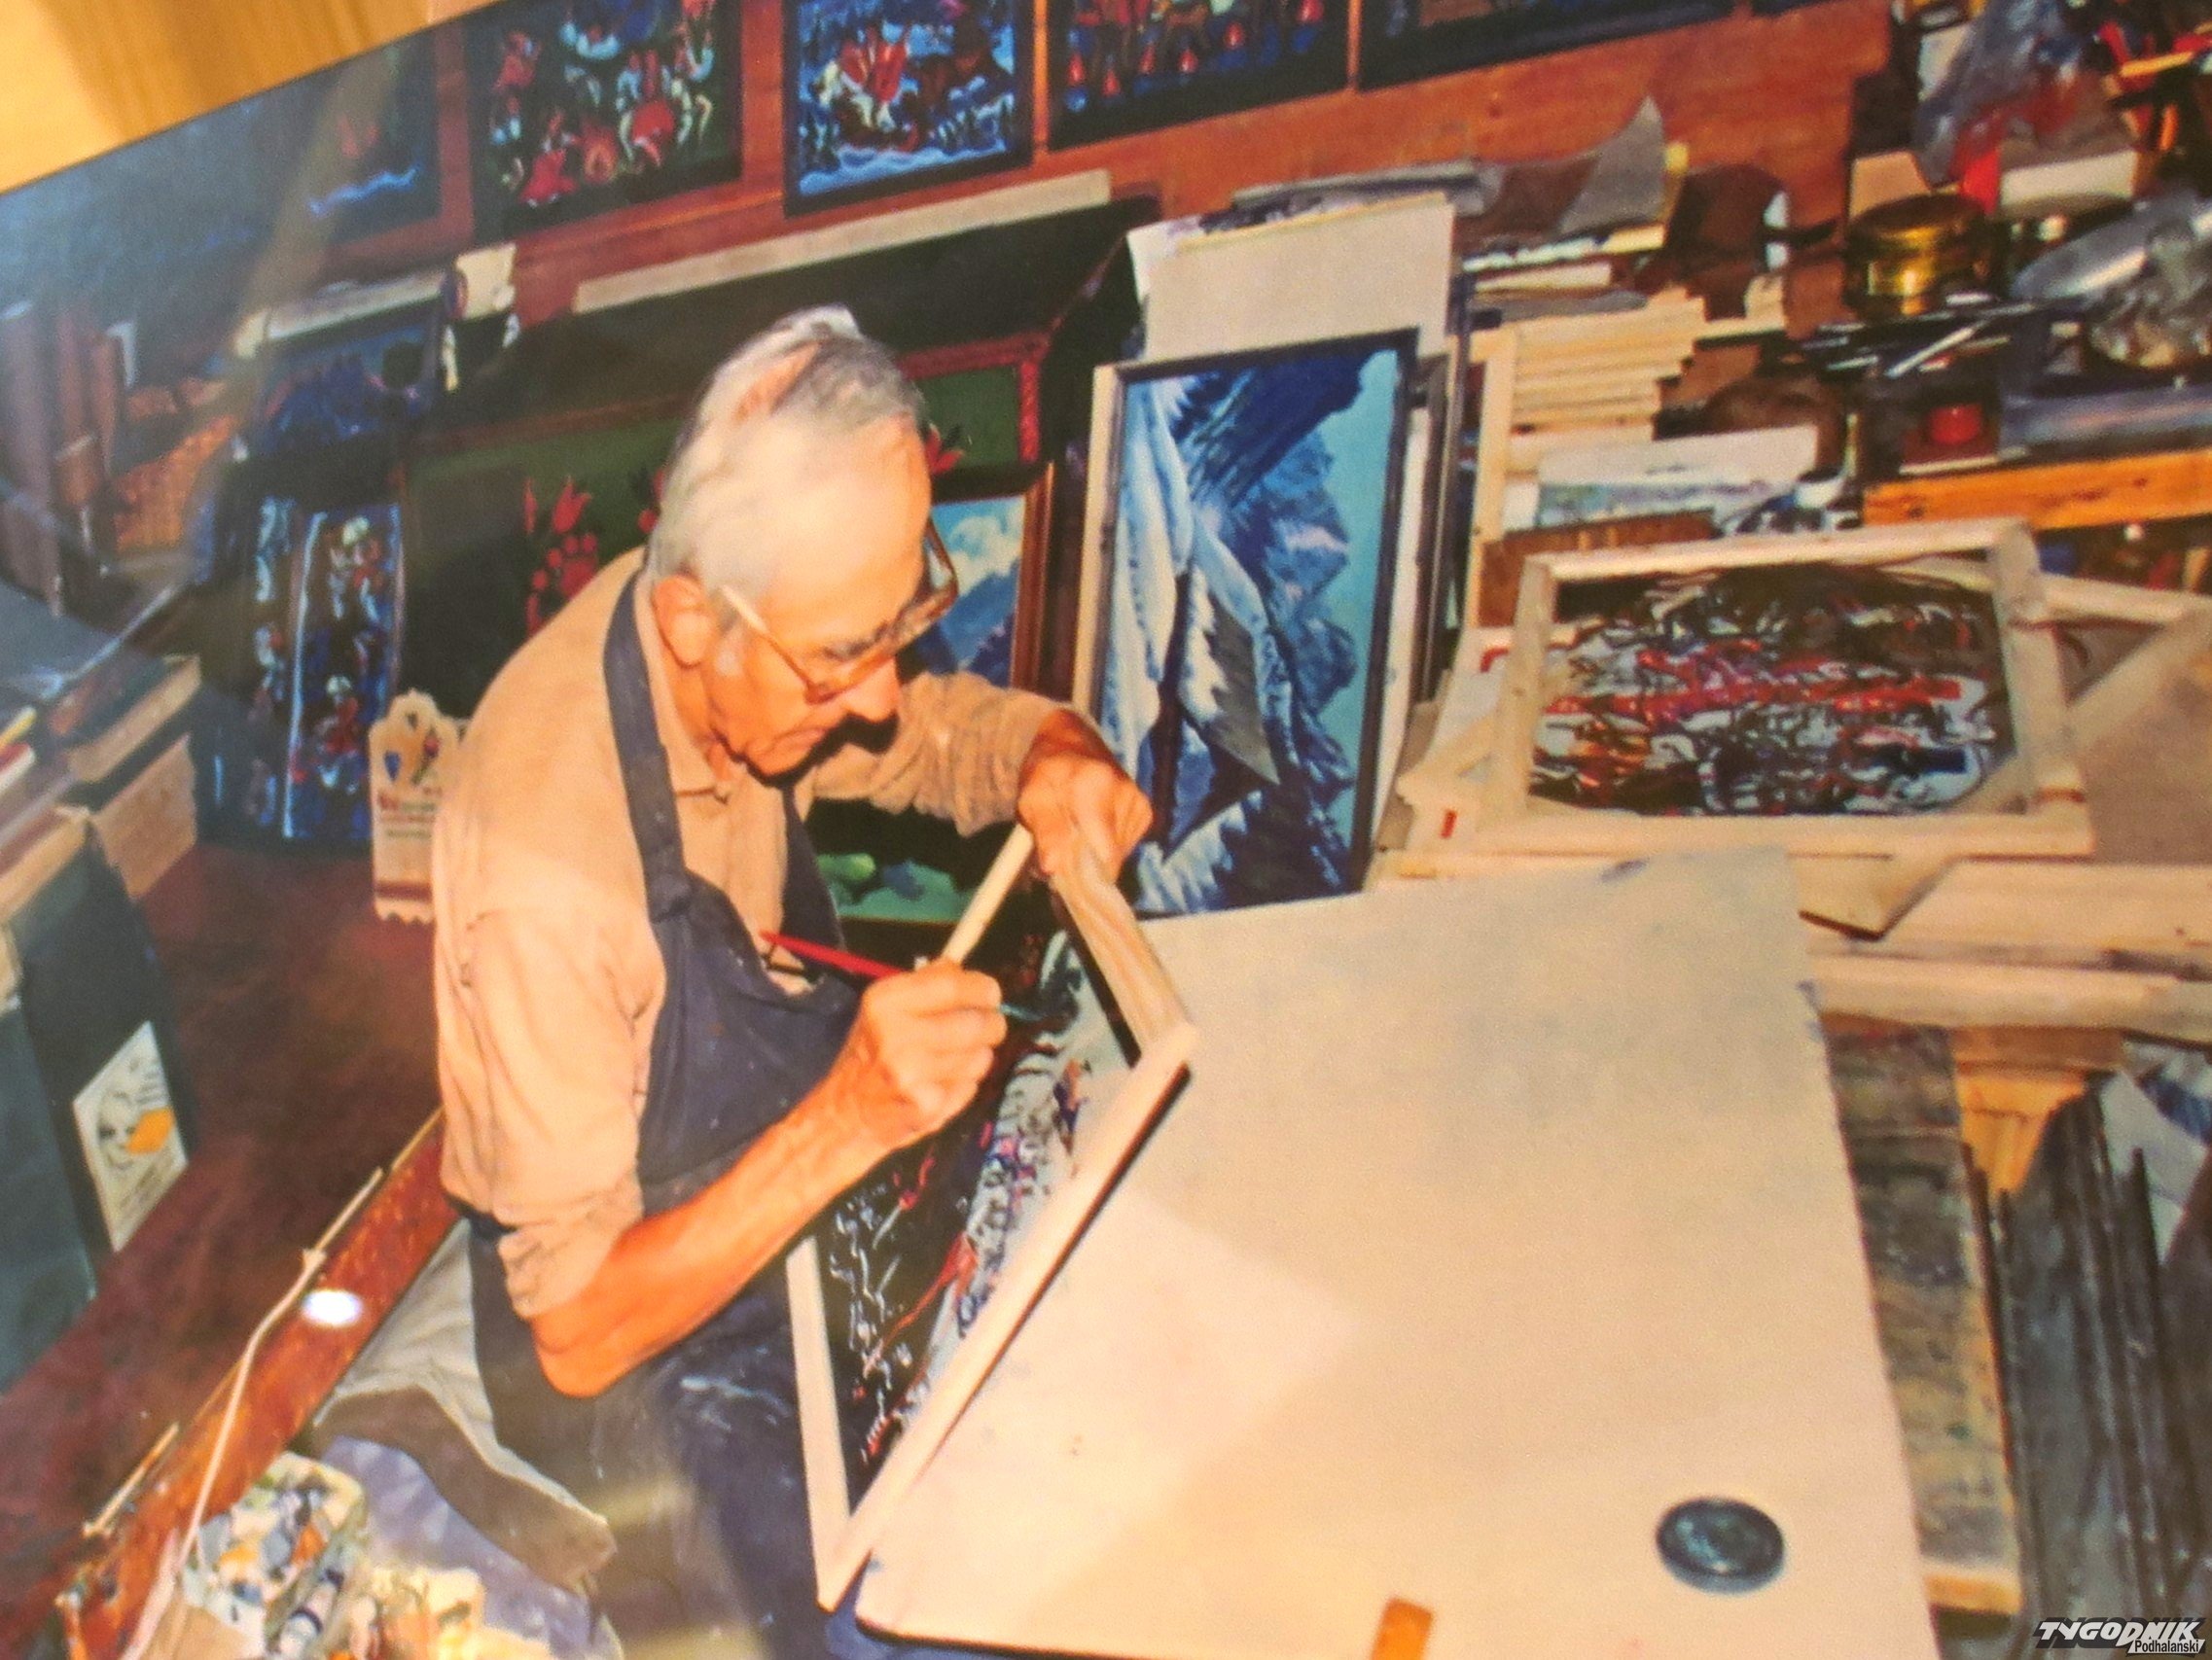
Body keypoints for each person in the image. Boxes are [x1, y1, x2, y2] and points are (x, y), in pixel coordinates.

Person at [431, 306, 1151, 1656]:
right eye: (839, 659)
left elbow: (927, 733)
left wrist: (1049, 752)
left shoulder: (752, 636)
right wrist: (849, 1121)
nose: (875, 697)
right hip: (630, 1340)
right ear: (690, 623)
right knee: (876, 1613)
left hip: (776, 1193)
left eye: (896, 629)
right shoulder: (549, 878)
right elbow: (577, 1328)